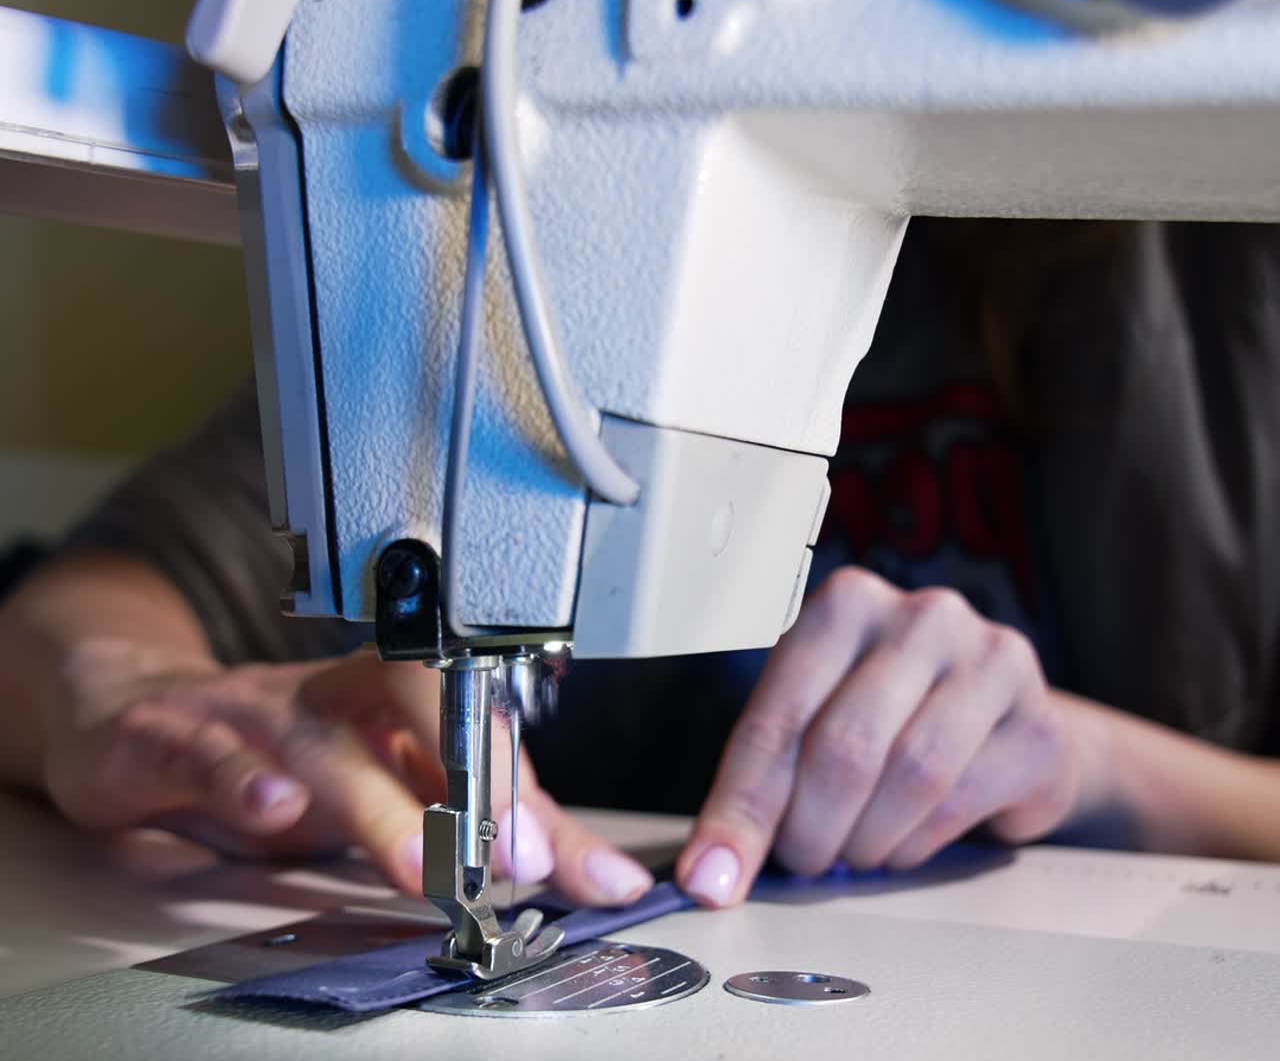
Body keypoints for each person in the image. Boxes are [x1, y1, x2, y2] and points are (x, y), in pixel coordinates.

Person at [3, 218, 1279, 911]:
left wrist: (1094, 765)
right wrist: (114, 683)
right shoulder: (520, 244)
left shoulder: (1226, 250)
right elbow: (81, 606)